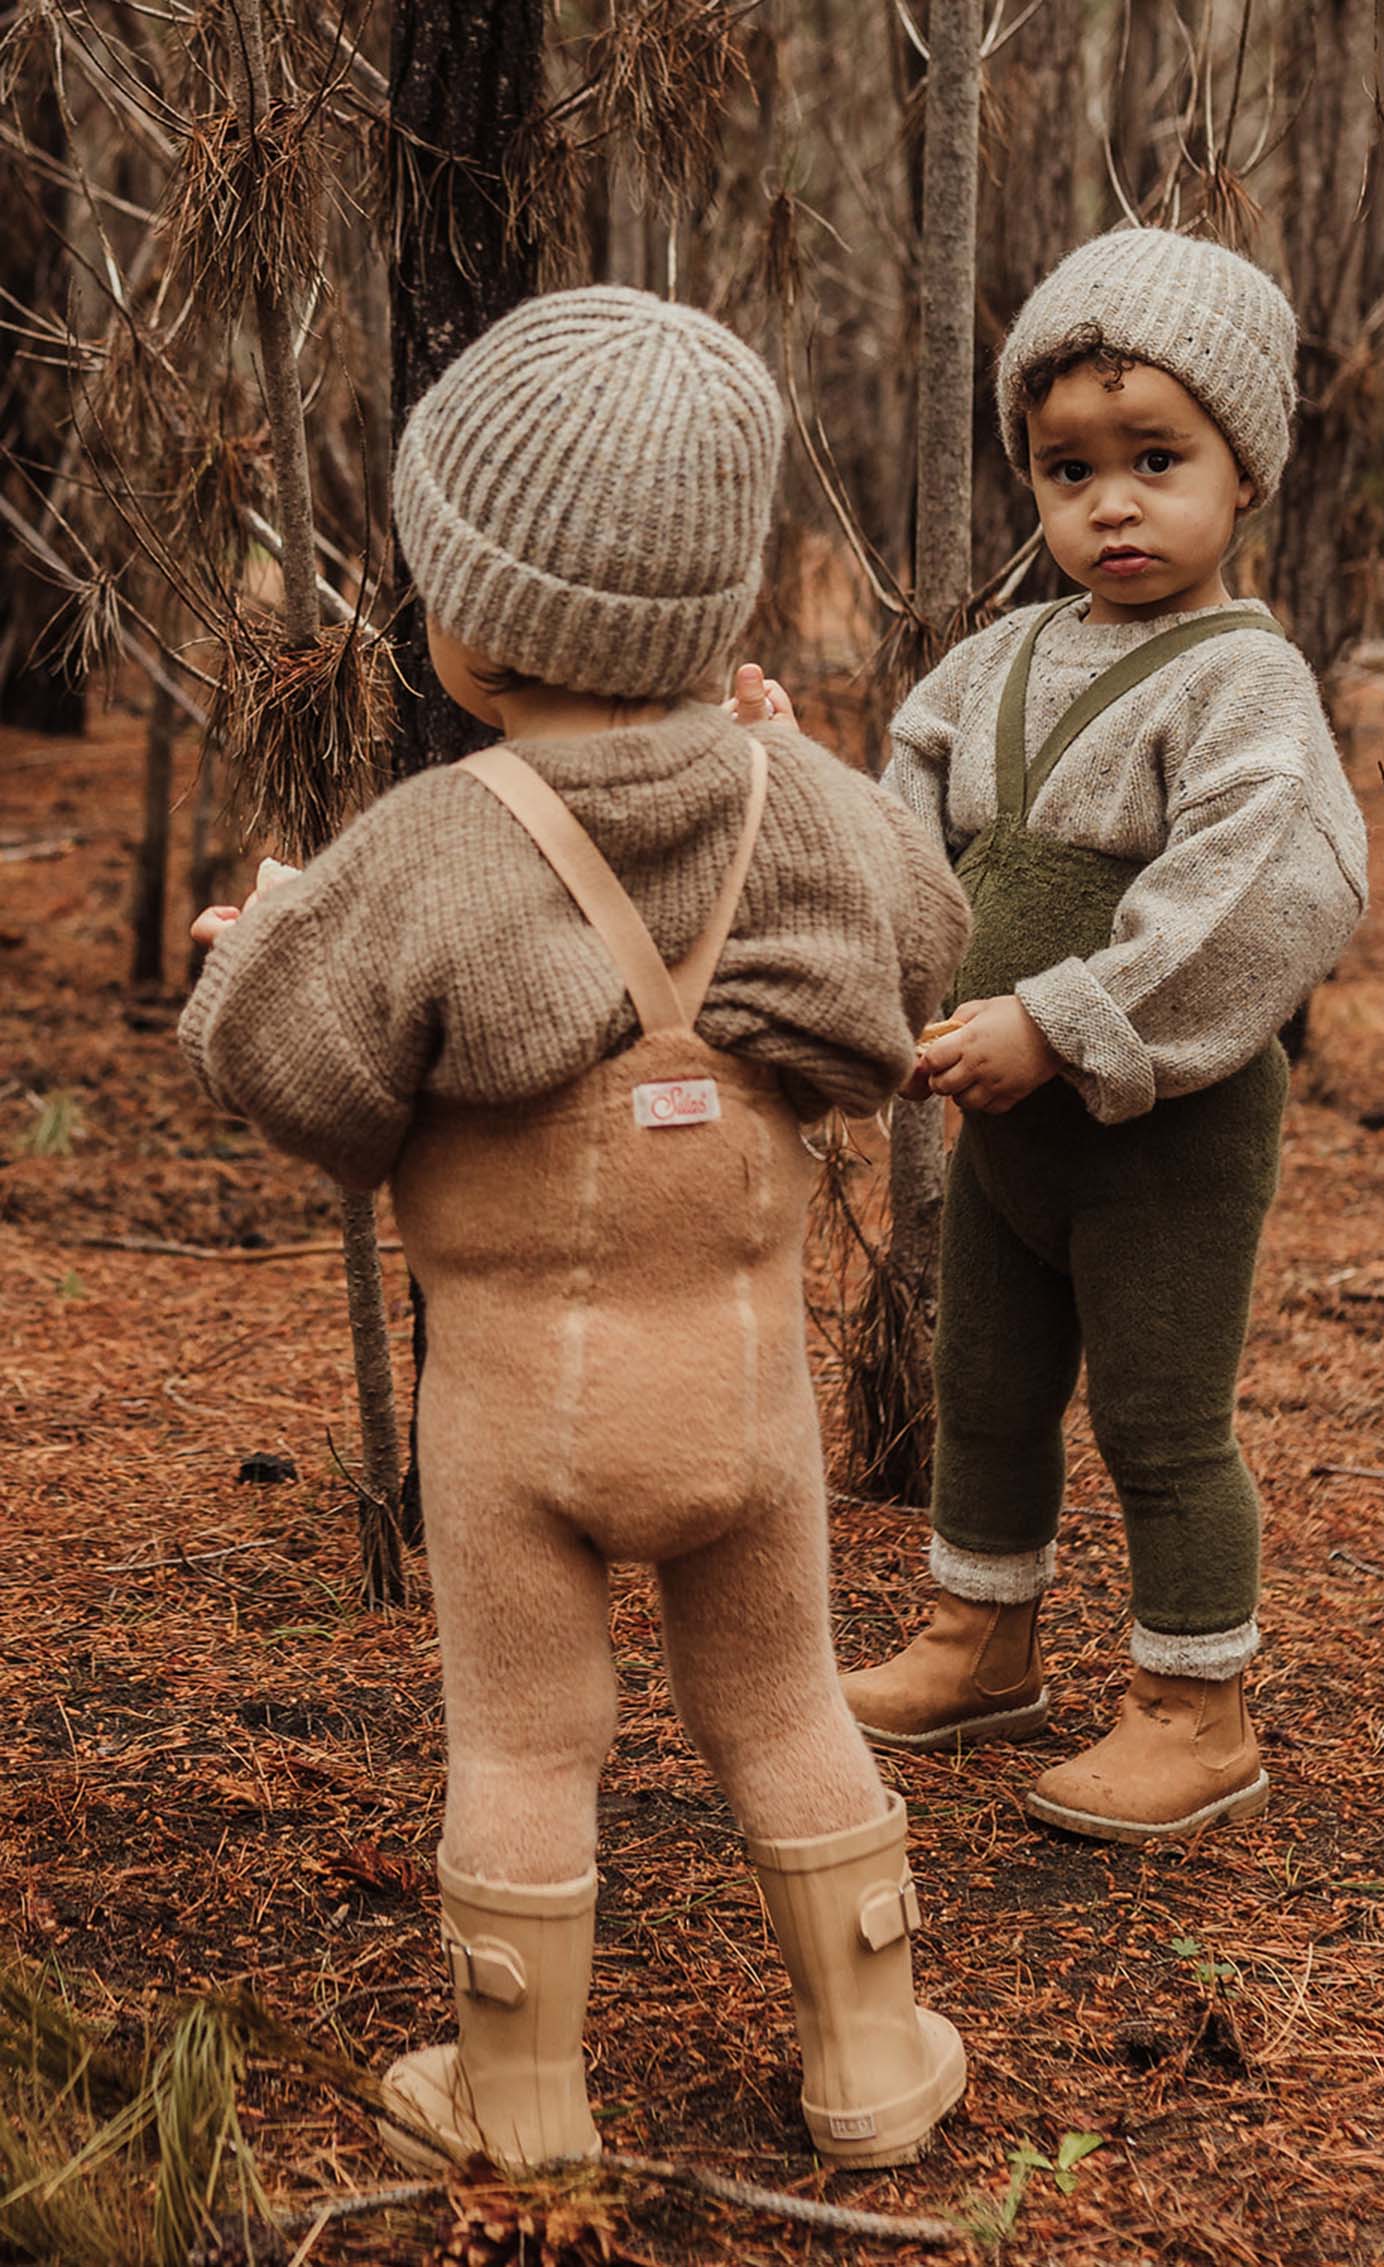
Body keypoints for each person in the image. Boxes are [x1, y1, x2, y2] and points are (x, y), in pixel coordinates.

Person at [180, 287, 971, 2171]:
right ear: (716, 610)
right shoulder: (799, 804)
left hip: (518, 1415)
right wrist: (793, 767)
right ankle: (867, 2048)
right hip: (751, 1394)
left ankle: (521, 2091)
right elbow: (926, 927)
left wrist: (246, 960)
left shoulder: (435, 841)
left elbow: (307, 1080)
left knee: (528, 1742)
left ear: (473, 620)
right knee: (782, 1701)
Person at [739, 229, 1367, 1844]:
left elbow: (1257, 899)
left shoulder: (1246, 684)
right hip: (1004, 1130)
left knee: (1163, 1417)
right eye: (1066, 466)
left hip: (1163, 1127)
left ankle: (1194, 1704)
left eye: (1158, 460)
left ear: (1245, 475)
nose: (1111, 503)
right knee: (990, 1389)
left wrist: (1067, 1022)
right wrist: (793, 772)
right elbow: (900, 842)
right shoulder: (990, 666)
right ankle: (981, 1634)